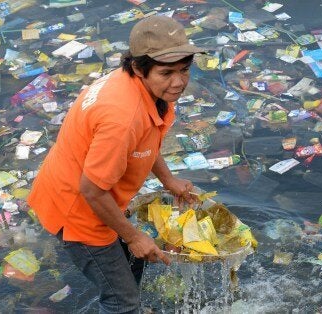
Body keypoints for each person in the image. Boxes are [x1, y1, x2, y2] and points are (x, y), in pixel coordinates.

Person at [27, 15, 205, 313]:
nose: (179, 83)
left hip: (83, 186)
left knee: (130, 268)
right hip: (79, 210)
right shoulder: (122, 117)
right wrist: (134, 236)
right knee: (121, 301)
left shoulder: (141, 87)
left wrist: (168, 180)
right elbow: (92, 191)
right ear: (139, 67)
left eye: (184, 70)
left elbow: (145, 139)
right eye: (167, 73)